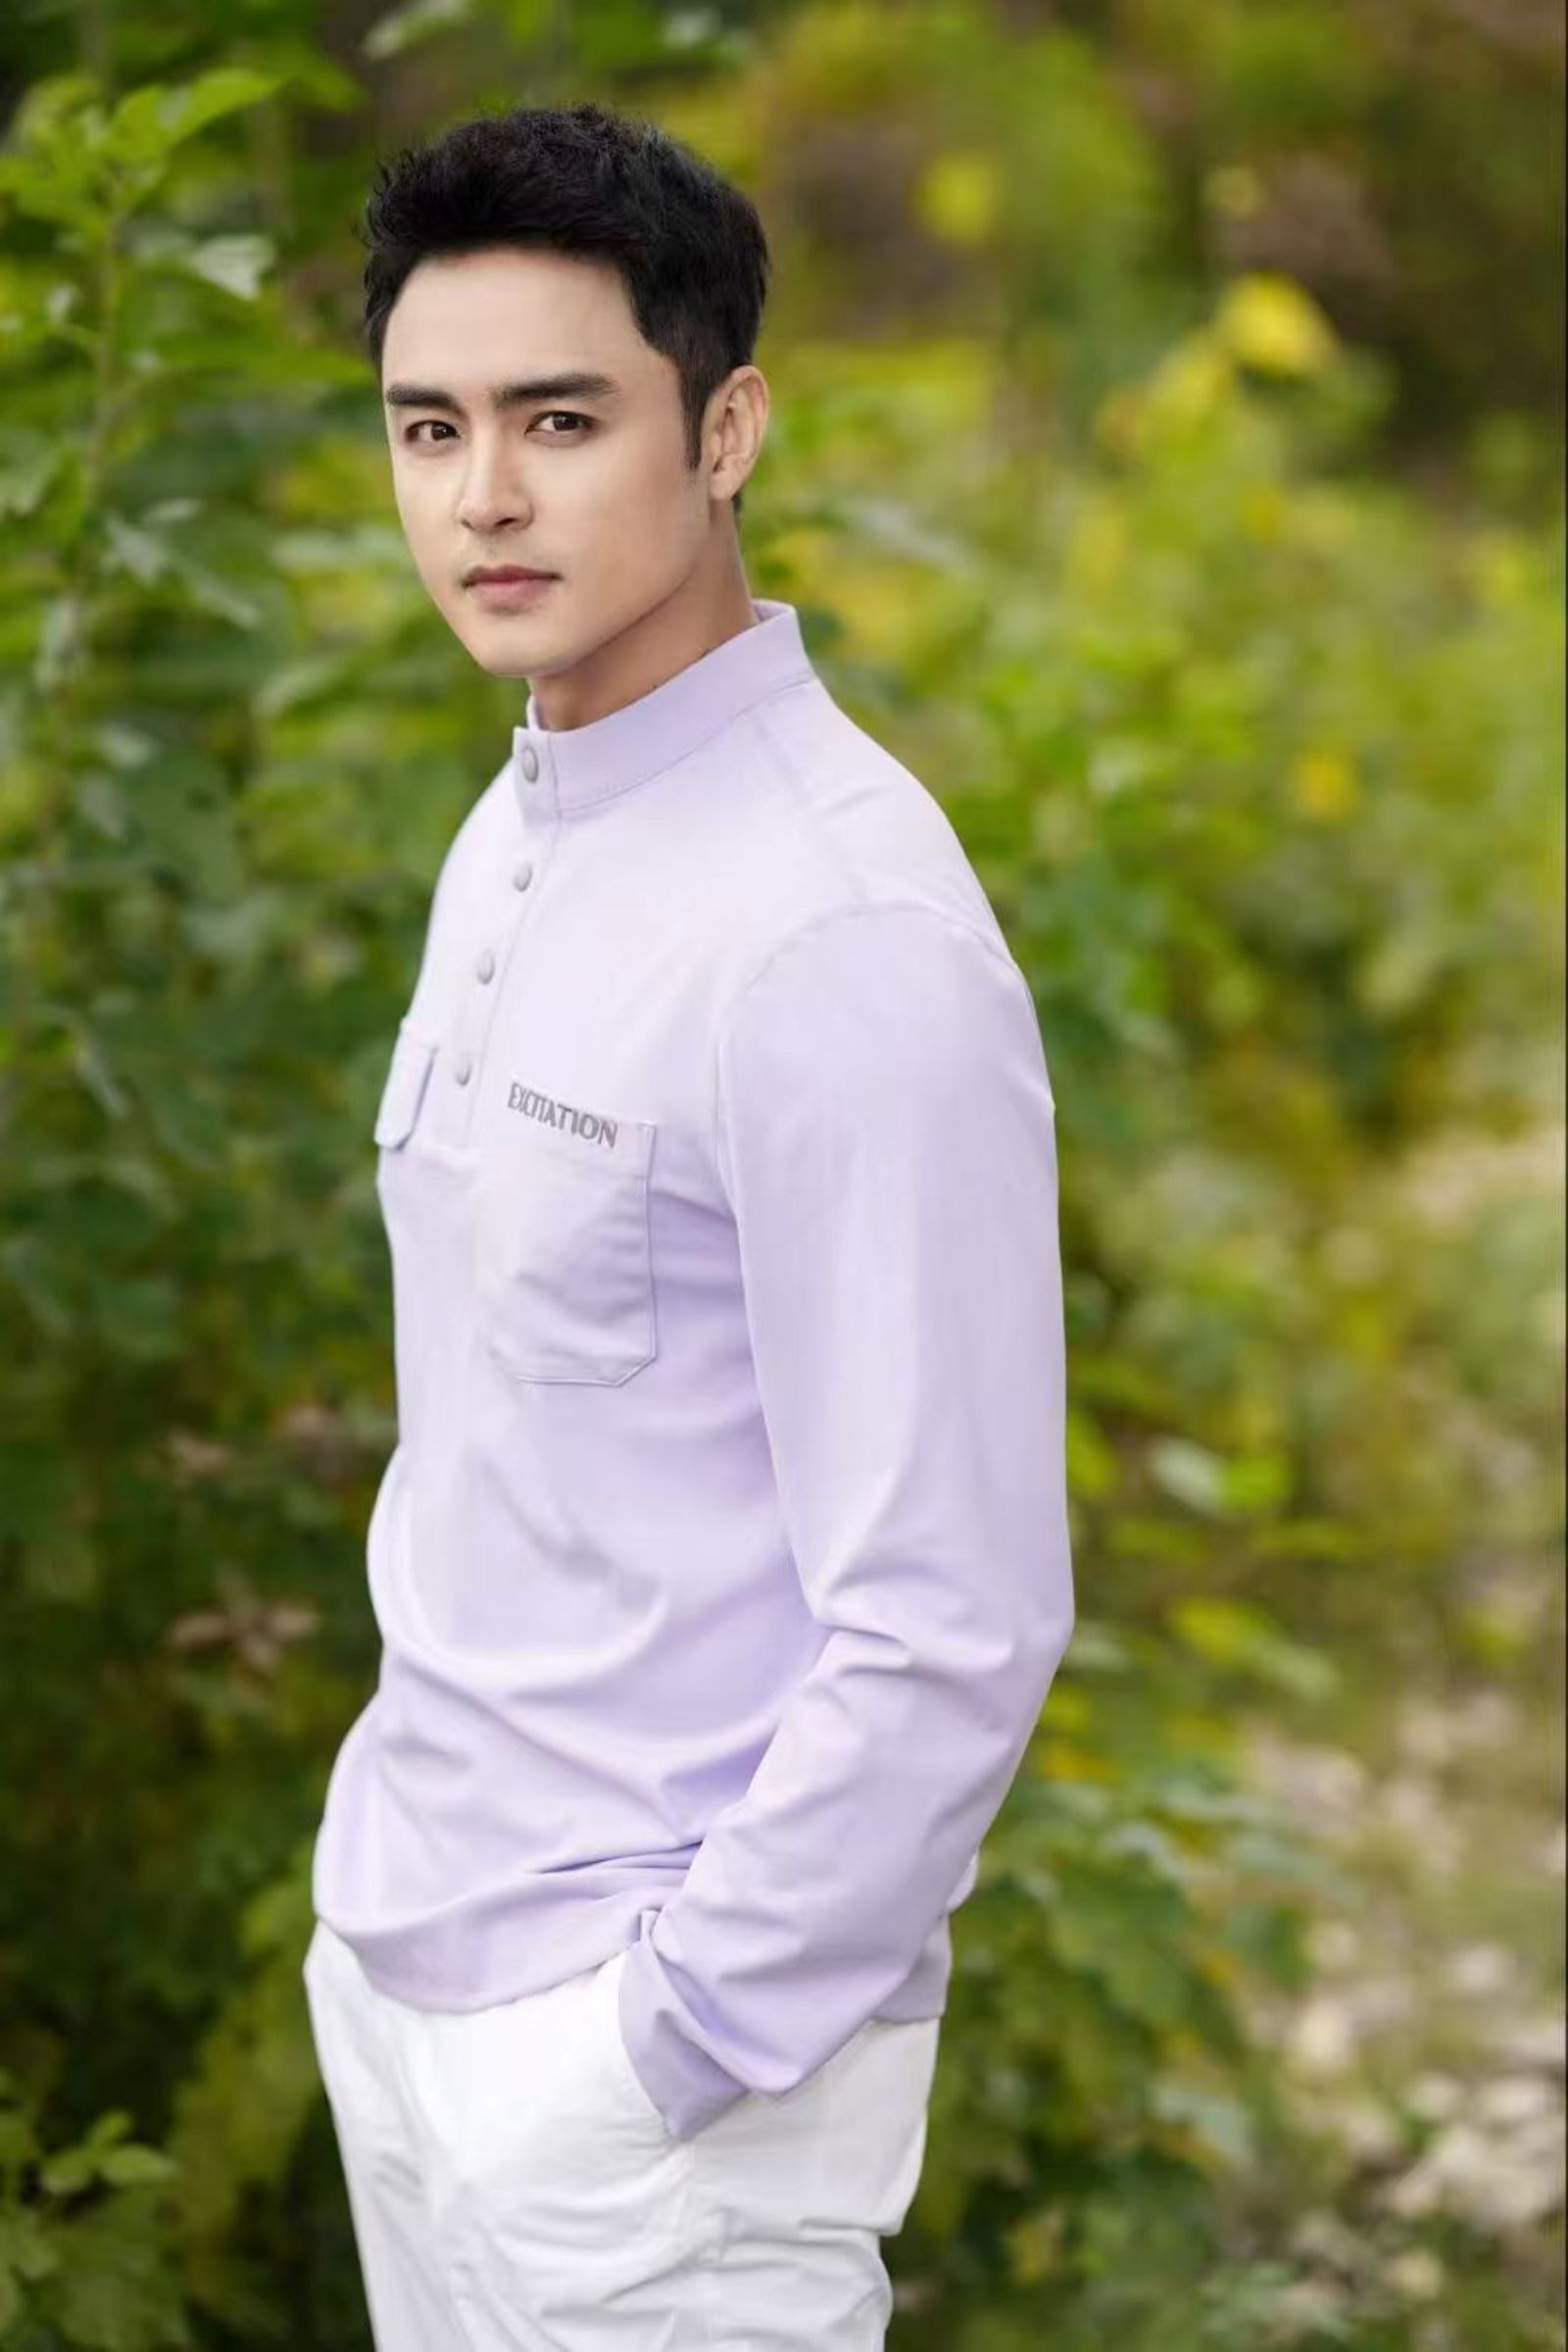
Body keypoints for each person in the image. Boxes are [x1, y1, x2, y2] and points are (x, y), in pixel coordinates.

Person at [302, 97, 1074, 2350]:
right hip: (405, 1982)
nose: (483, 496)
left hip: (647, 2113)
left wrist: (662, 2049)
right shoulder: (516, 825)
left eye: (560, 420)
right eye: (428, 427)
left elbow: (951, 1617)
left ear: (723, 429)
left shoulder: (834, 932)